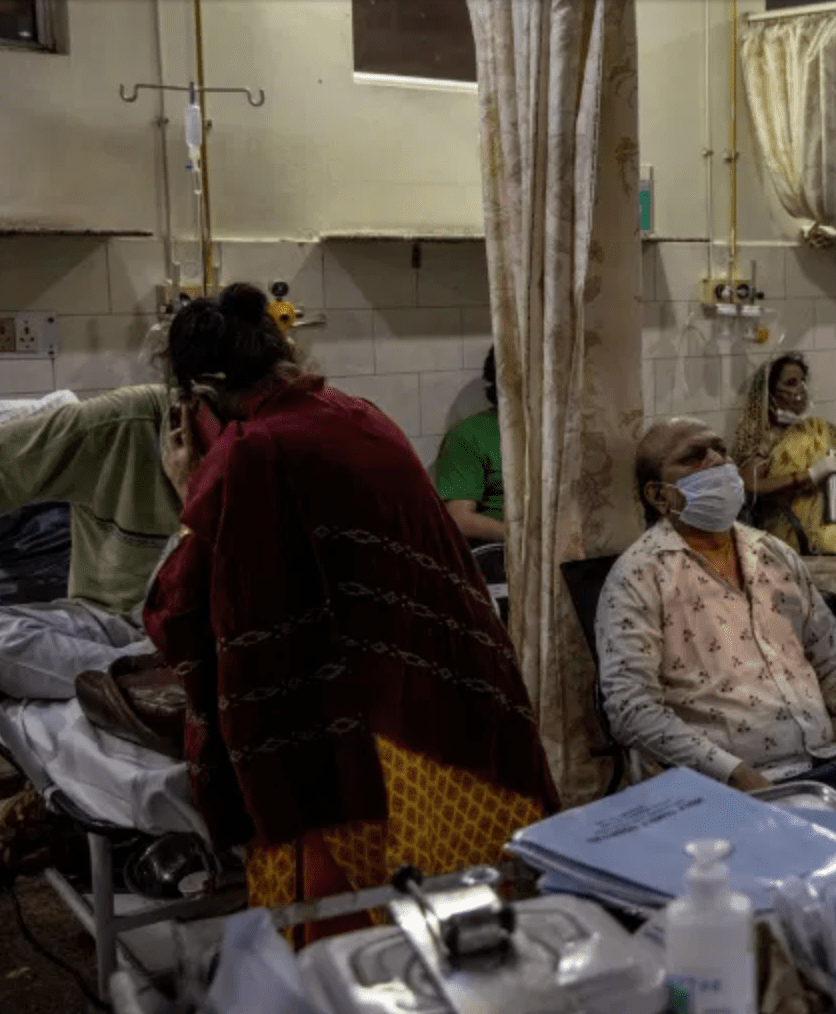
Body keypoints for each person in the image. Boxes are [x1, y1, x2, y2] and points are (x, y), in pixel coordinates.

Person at [141, 285, 559, 942]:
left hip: (359, 744)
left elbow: (180, 609)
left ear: (200, 399)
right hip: (460, 701)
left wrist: (189, 490)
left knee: (357, 947)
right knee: (469, 930)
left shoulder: (252, 451)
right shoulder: (355, 413)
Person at [596, 417, 836, 876]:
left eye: (720, 450)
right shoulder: (639, 577)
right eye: (693, 457)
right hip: (732, 789)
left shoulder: (772, 553)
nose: (717, 462)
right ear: (659, 495)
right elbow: (630, 708)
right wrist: (735, 774)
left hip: (831, 766)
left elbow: (834, 660)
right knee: (829, 879)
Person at [0, 387, 182, 699]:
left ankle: (153, 678)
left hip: (197, 632)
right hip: (111, 619)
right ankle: (146, 677)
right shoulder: (119, 425)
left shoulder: (261, 445)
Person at [734, 354, 836, 555]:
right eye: (791, 383)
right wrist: (810, 475)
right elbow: (749, 485)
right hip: (795, 526)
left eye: (802, 382)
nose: (800, 389)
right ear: (771, 391)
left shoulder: (820, 427)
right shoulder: (764, 437)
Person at [435, 349, 506, 544]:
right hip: (503, 551)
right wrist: (524, 538)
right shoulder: (469, 435)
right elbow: (458, 519)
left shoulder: (566, 432)